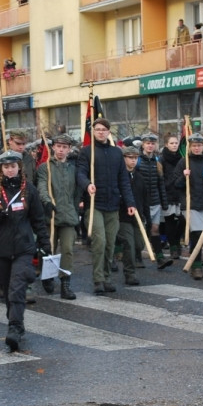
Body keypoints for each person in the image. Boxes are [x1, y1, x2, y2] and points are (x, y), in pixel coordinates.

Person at [0, 150, 51, 352]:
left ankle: (15, 327)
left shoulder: (30, 190)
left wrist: (45, 243)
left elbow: (38, 220)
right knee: (7, 290)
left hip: (23, 248)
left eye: (13, 166)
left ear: (19, 167)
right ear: (1, 169)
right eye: (6, 167)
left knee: (17, 288)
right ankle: (15, 320)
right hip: (0, 248)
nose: (10, 170)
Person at [76, 118, 137, 295]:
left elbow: (123, 180)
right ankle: (98, 279)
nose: (101, 132)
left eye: (104, 129)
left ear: (109, 132)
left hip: (113, 205)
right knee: (100, 242)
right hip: (94, 204)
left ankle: (107, 277)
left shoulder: (117, 153)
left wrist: (130, 202)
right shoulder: (86, 152)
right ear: (93, 132)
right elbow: (80, 173)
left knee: (110, 243)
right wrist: (87, 184)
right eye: (98, 129)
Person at [168, 133, 203, 280]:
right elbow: (175, 184)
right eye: (194, 146)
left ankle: (193, 261)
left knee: (200, 236)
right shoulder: (184, 162)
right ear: (190, 147)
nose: (197, 148)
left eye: (199, 145)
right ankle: (196, 267)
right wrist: (184, 176)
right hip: (190, 204)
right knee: (197, 235)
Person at [36, 134, 81, 299]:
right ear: (53, 147)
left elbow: (77, 192)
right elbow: (41, 186)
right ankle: (47, 276)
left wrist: (76, 207)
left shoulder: (73, 169)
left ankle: (65, 283)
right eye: (58, 146)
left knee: (68, 250)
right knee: (49, 249)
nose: (61, 150)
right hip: (51, 215)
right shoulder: (45, 167)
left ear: (69, 149)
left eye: (65, 147)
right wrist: (47, 202)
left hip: (68, 215)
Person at [135, 132, 169, 266]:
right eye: (148, 143)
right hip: (141, 203)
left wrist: (164, 202)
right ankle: (137, 257)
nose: (150, 146)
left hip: (155, 201)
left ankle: (160, 257)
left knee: (155, 229)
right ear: (143, 145)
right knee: (140, 230)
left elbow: (161, 183)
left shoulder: (157, 160)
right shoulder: (137, 160)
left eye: (152, 143)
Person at [115, 146, 147, 286]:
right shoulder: (119, 176)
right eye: (130, 158)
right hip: (123, 216)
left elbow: (145, 199)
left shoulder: (140, 177)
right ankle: (130, 273)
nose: (133, 161)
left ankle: (117, 247)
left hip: (138, 216)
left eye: (135, 158)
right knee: (129, 244)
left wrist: (146, 217)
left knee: (139, 244)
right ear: (124, 159)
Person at [160, 134, 185, 263]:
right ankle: (173, 247)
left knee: (183, 220)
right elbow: (161, 176)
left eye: (176, 143)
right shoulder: (162, 159)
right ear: (166, 145)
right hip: (168, 192)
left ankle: (176, 241)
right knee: (170, 222)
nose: (174, 145)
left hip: (180, 192)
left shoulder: (182, 158)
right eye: (172, 143)